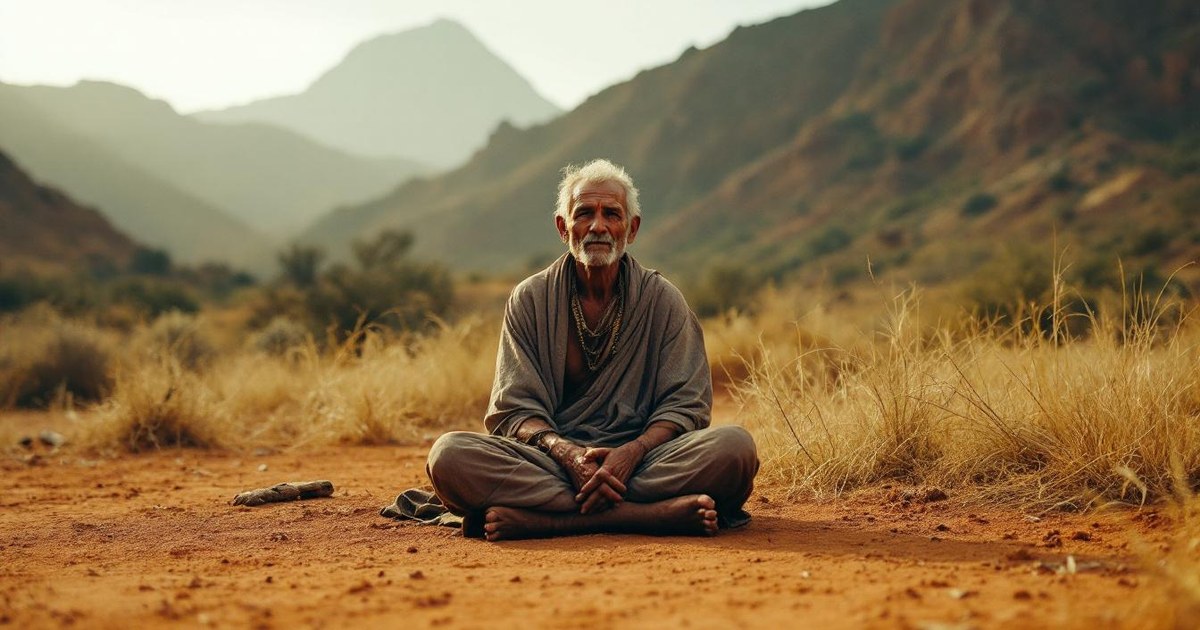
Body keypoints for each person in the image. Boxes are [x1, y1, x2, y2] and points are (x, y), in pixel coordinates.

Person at [424, 159, 758, 541]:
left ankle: (547, 521)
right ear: (563, 227)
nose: (598, 226)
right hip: (552, 460)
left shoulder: (663, 301)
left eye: (611, 214)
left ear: (631, 229)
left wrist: (631, 453)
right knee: (449, 456)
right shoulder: (530, 299)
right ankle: (649, 515)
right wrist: (566, 453)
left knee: (734, 449)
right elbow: (515, 409)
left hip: (644, 460)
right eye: (584, 213)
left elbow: (685, 406)